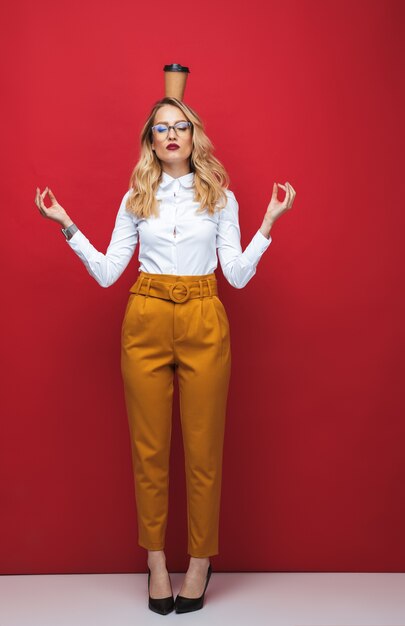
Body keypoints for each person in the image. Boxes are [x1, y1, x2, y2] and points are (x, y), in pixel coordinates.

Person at [34, 96, 296, 614]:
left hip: (202, 315)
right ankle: (156, 561)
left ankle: (200, 560)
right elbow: (110, 271)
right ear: (150, 141)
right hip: (146, 318)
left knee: (203, 450)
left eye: (180, 127)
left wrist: (268, 223)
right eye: (161, 129)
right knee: (149, 450)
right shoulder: (136, 198)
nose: (171, 135)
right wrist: (66, 224)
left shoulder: (221, 199)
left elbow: (237, 276)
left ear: (194, 136)